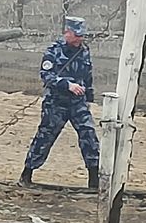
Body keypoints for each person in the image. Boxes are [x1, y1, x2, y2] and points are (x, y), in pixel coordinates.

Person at [20, 15, 99, 188]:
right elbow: (46, 76)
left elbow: (88, 74)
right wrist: (67, 85)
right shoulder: (53, 51)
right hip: (56, 103)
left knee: (89, 136)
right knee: (45, 137)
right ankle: (27, 174)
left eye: (81, 35)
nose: (79, 39)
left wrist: (89, 98)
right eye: (76, 35)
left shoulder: (84, 50)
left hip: (78, 103)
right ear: (67, 32)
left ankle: (94, 180)